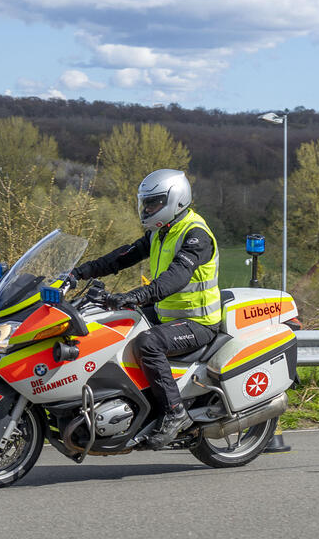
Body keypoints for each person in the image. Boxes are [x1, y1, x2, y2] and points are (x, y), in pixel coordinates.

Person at [72, 169, 221, 449]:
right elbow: (121, 257)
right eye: (146, 203)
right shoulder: (160, 232)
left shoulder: (195, 235)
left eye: (154, 203)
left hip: (198, 321)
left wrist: (137, 295)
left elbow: (176, 277)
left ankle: (175, 412)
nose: (147, 209)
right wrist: (79, 272)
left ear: (175, 200)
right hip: (168, 314)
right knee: (112, 324)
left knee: (147, 344)